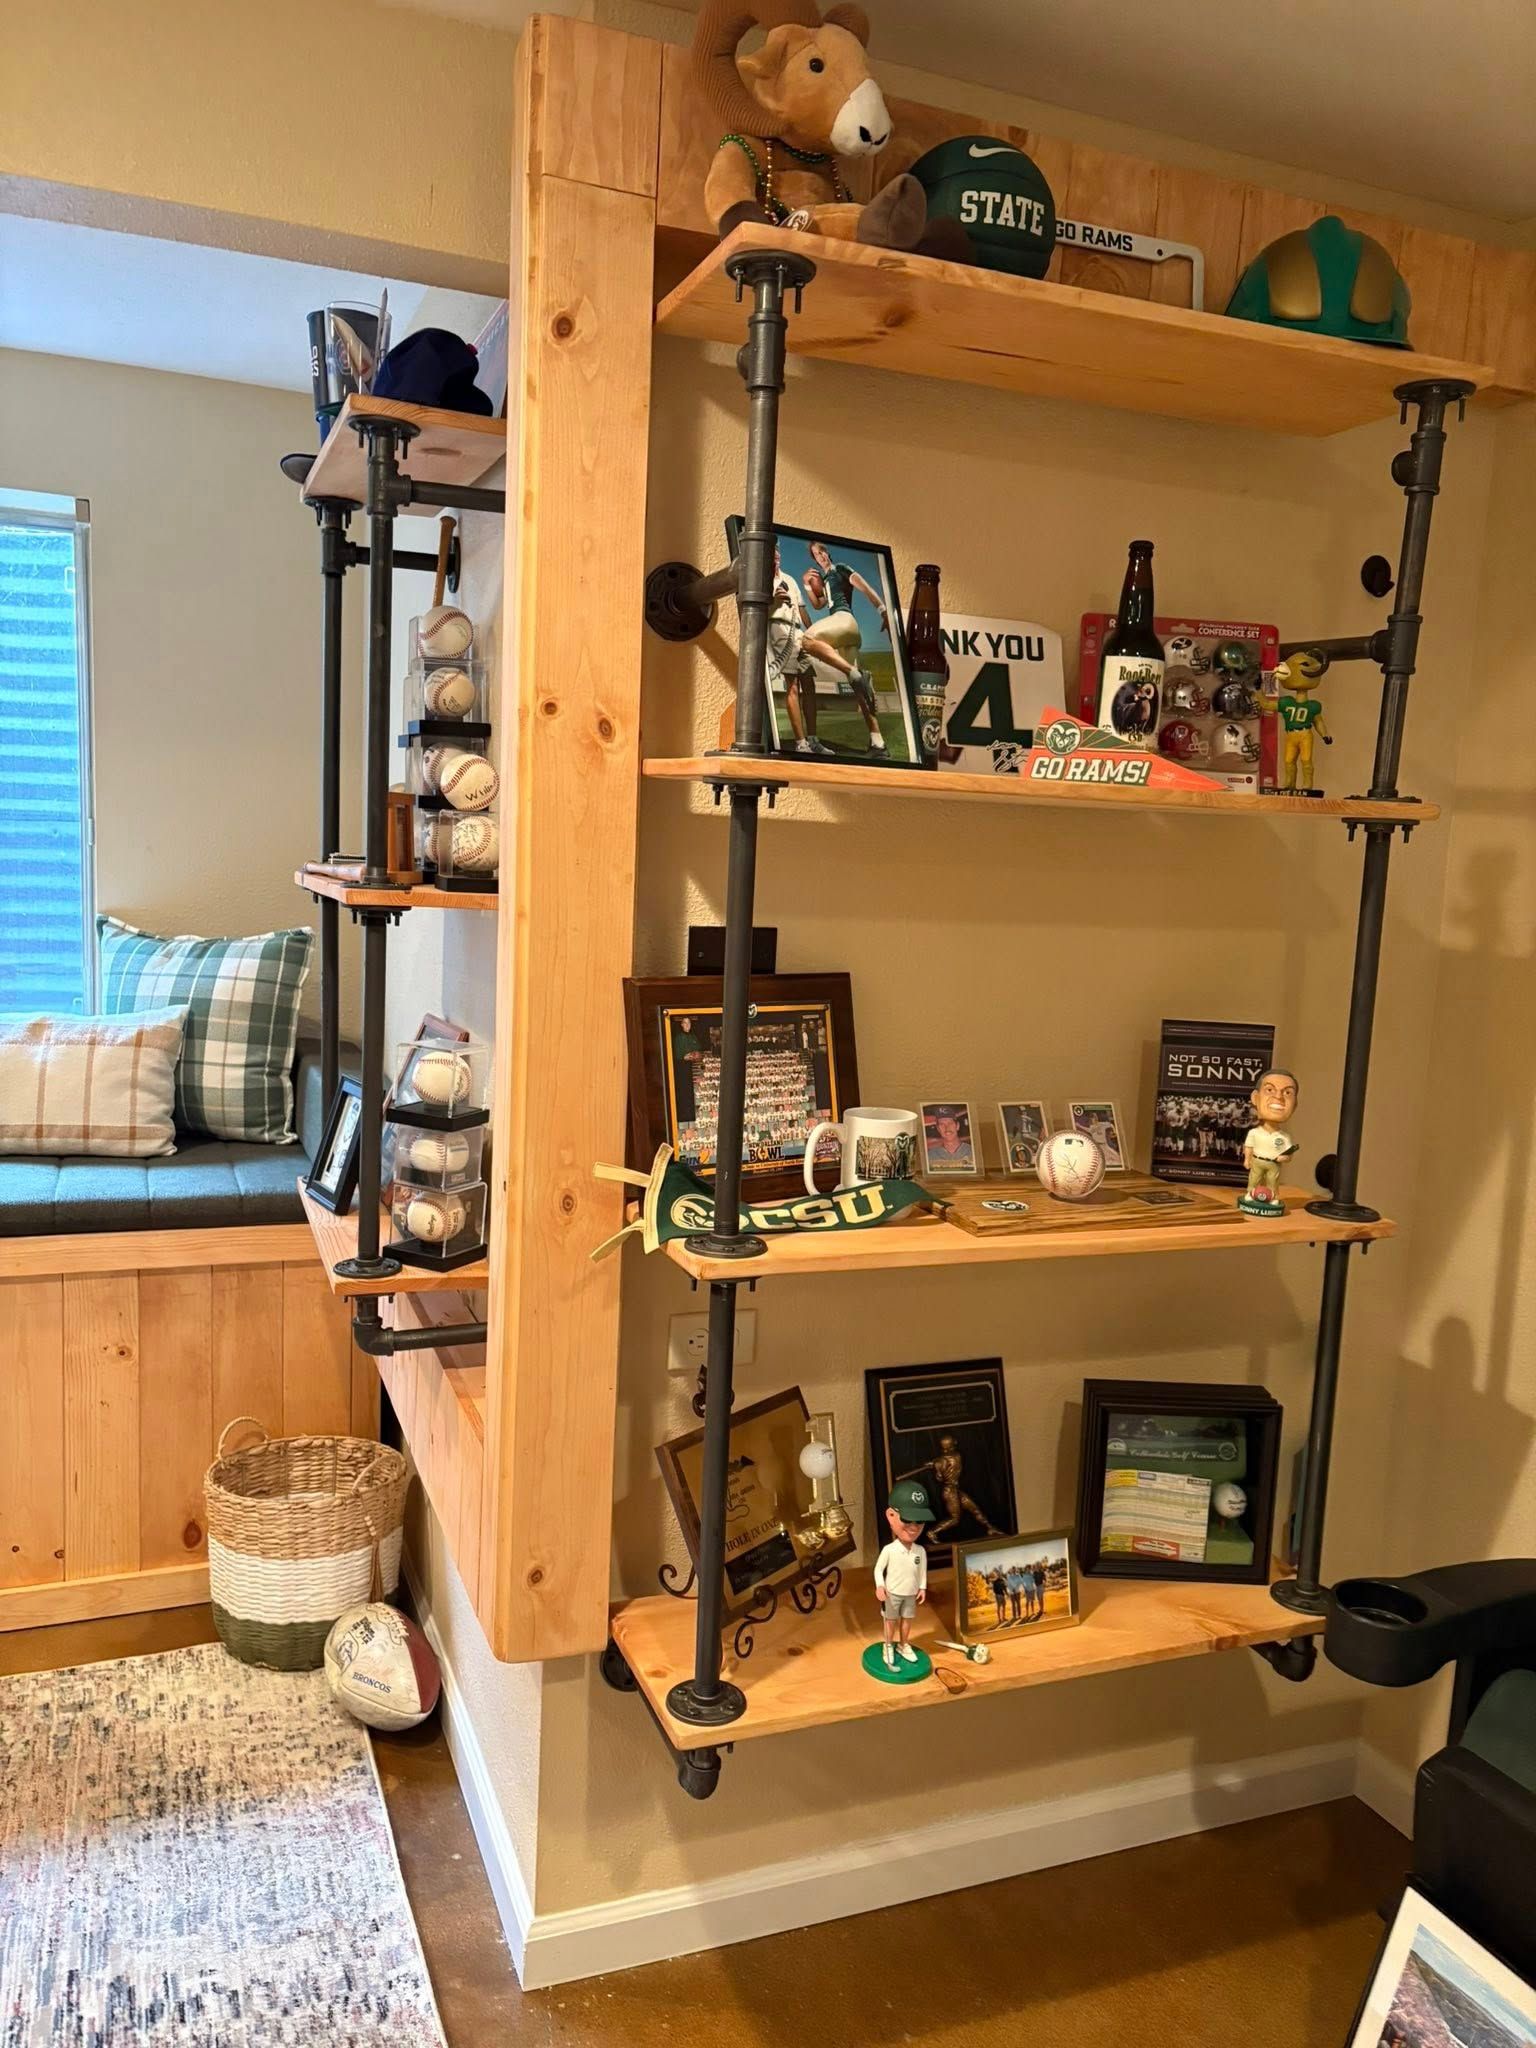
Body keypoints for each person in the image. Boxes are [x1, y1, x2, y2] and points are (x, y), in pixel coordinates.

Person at [872, 1480, 934, 1670]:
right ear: (891, 1516)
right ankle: (888, 1645)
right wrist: (880, 1586)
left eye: (919, 1522)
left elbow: (921, 1571)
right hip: (893, 1593)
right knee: (890, 1621)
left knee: (907, 1620)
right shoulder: (889, 1550)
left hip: (910, 1593)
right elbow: (877, 1569)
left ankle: (903, 1644)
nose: (914, 1527)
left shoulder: (920, 1551)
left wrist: (922, 1587)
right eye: (907, 1520)